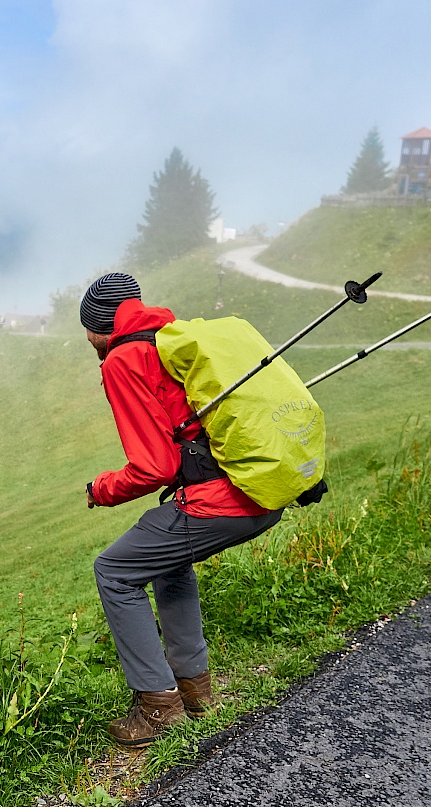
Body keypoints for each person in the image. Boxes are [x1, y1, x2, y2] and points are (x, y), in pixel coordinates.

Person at [81, 273, 284, 748]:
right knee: (167, 562)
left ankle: (157, 709)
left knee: (114, 570)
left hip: (222, 500)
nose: (87, 339)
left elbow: (154, 466)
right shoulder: (172, 339)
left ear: (98, 325)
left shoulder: (124, 358)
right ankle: (195, 692)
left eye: (87, 329)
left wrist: (101, 488)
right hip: (263, 488)